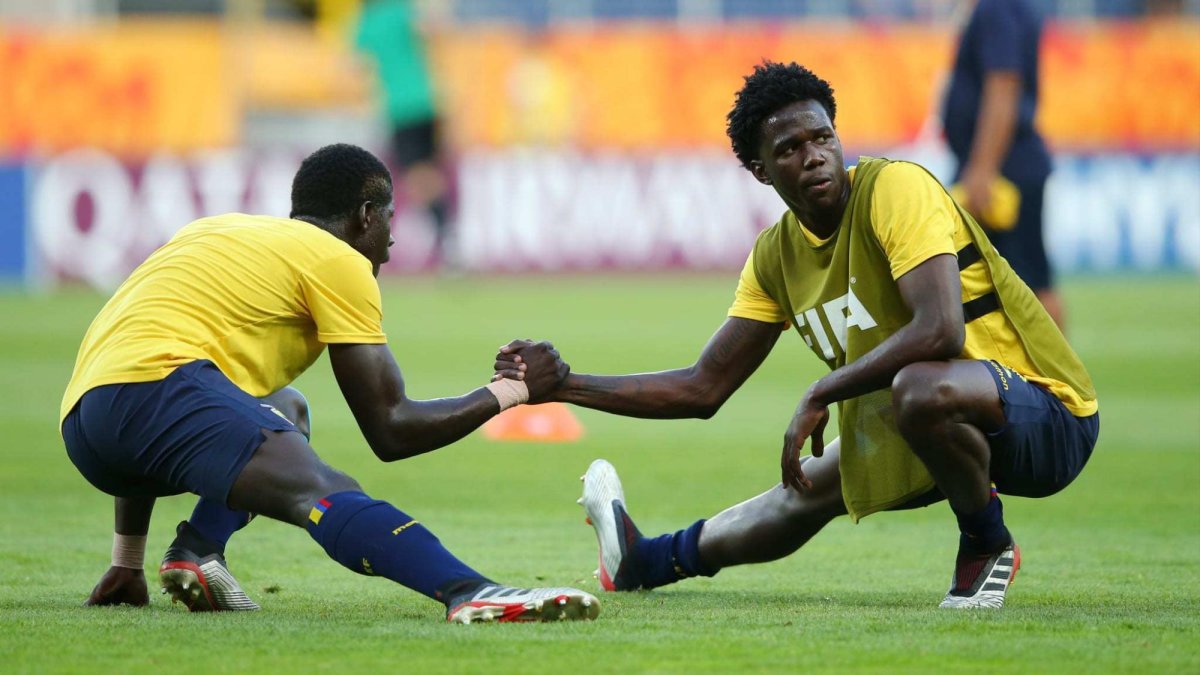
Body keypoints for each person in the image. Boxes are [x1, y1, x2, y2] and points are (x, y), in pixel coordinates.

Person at [496, 63, 1098, 609]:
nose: (814, 157)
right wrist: (565, 386)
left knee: (917, 389)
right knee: (803, 491)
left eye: (822, 138)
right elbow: (702, 388)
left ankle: (986, 544)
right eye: (790, 148)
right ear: (761, 171)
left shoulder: (895, 189)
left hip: (1045, 414)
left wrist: (822, 391)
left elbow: (939, 328)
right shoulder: (776, 258)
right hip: (939, 422)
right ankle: (643, 562)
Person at [64, 143, 599, 624]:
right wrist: (512, 392)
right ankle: (470, 591)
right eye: (389, 220)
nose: (390, 241)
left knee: (286, 409)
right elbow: (392, 430)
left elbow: (133, 375)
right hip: (155, 396)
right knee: (320, 490)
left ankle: (196, 552)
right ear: (366, 216)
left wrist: (125, 561)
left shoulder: (214, 229)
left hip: (87, 424)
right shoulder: (340, 261)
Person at [942, 0, 1065, 329]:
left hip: (1002, 170)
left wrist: (982, 169)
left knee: (1031, 285)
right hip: (1002, 164)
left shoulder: (997, 6)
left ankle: (1057, 378)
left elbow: (1004, 83)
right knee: (1019, 280)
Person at [354, 0, 455, 267]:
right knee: (425, 172)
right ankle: (446, 234)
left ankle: (447, 235)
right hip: (427, 100)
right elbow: (432, 29)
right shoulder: (402, 9)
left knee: (416, 176)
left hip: (401, 109)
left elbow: (354, 67)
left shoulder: (366, 22)